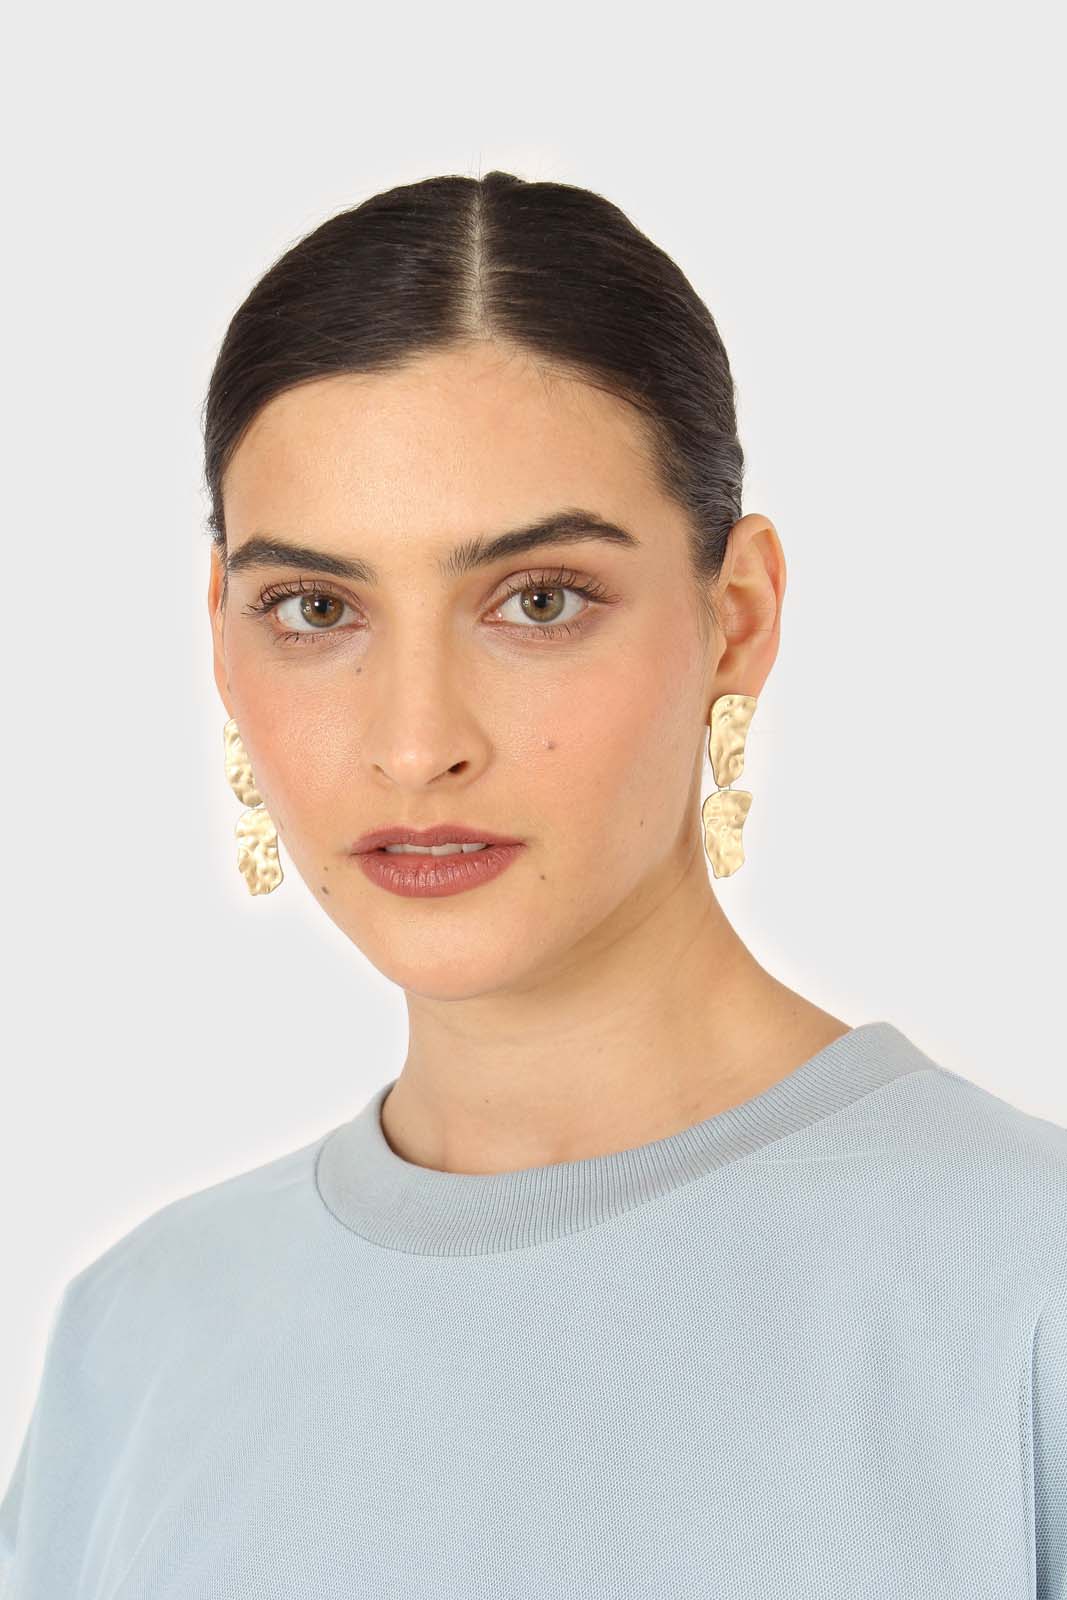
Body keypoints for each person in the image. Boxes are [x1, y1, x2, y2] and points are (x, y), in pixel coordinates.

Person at [2, 170, 1064, 1599]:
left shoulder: (1023, 1290)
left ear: (737, 617)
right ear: (221, 639)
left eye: (538, 601)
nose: (416, 743)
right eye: (315, 610)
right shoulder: (136, 1340)